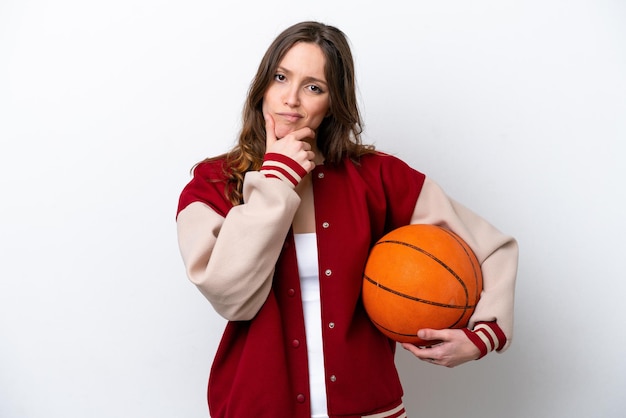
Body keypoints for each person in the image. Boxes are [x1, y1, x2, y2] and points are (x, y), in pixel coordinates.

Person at [176, 21, 518, 418]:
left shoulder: (378, 177)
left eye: (313, 87)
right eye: (281, 77)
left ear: (333, 101)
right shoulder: (213, 183)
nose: (291, 99)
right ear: (262, 86)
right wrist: (276, 179)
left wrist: (483, 336)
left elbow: (492, 247)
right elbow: (229, 295)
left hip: (371, 409)